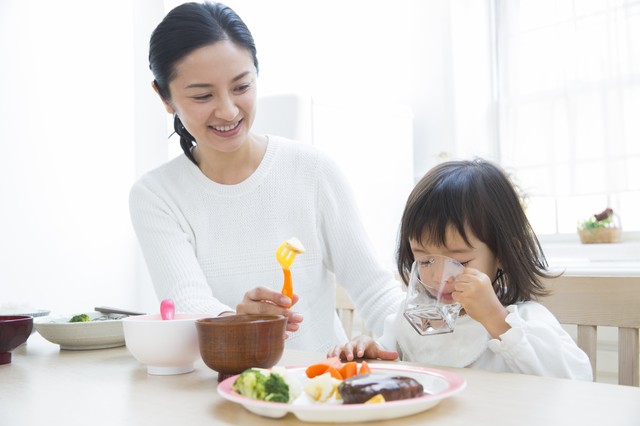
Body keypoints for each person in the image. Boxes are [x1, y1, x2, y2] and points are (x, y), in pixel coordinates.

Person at [129, 1, 404, 352]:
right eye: (202, 95)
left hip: (321, 389)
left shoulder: (313, 170)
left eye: (241, 87)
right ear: (164, 96)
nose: (228, 110)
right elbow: (188, 305)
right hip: (218, 392)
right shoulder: (156, 195)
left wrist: (420, 340)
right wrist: (236, 322)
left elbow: (375, 291)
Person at [329, 158, 593, 380]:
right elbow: (391, 355)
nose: (437, 277)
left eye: (460, 262)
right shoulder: (412, 318)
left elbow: (577, 378)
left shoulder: (524, 319)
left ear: (501, 253)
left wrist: (496, 319)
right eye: (425, 261)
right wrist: (370, 351)